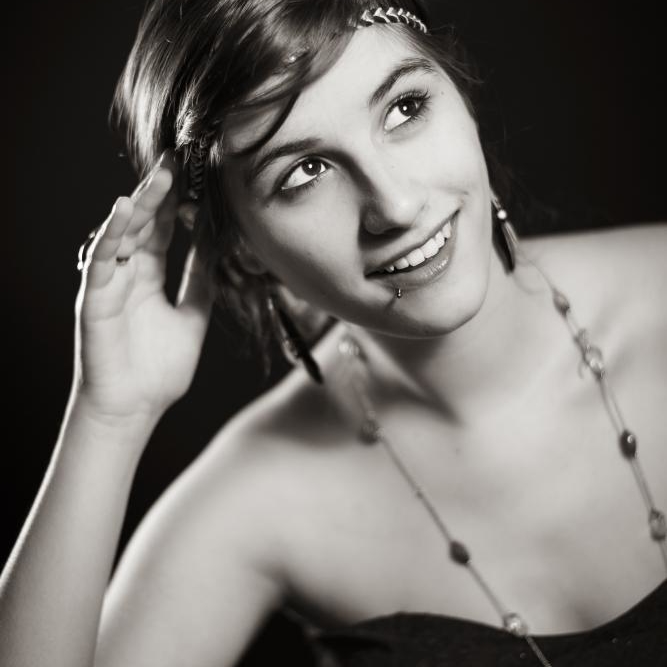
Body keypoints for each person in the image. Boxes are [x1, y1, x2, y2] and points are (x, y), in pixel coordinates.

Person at [1, 1, 666, 666]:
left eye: (405, 107)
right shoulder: (260, 497)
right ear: (241, 249)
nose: (396, 206)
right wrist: (109, 418)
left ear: (459, 96)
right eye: (305, 172)